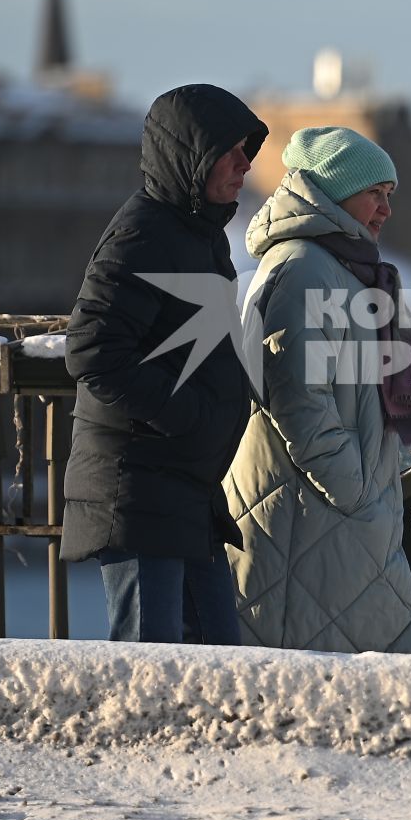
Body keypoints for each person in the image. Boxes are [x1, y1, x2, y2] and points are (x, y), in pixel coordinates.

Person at [60, 83, 268, 643]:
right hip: (139, 489)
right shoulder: (143, 234)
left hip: (183, 493)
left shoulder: (198, 235)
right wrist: (189, 416)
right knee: (152, 682)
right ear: (190, 156)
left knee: (219, 670)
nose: (244, 164)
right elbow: (92, 352)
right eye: (231, 151)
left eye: (247, 151)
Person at [223, 126, 411, 652]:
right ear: (333, 194)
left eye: (389, 196)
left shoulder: (343, 266)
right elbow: (297, 396)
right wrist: (353, 484)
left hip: (335, 513)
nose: (385, 209)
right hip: (312, 510)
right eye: (374, 194)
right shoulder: (304, 268)